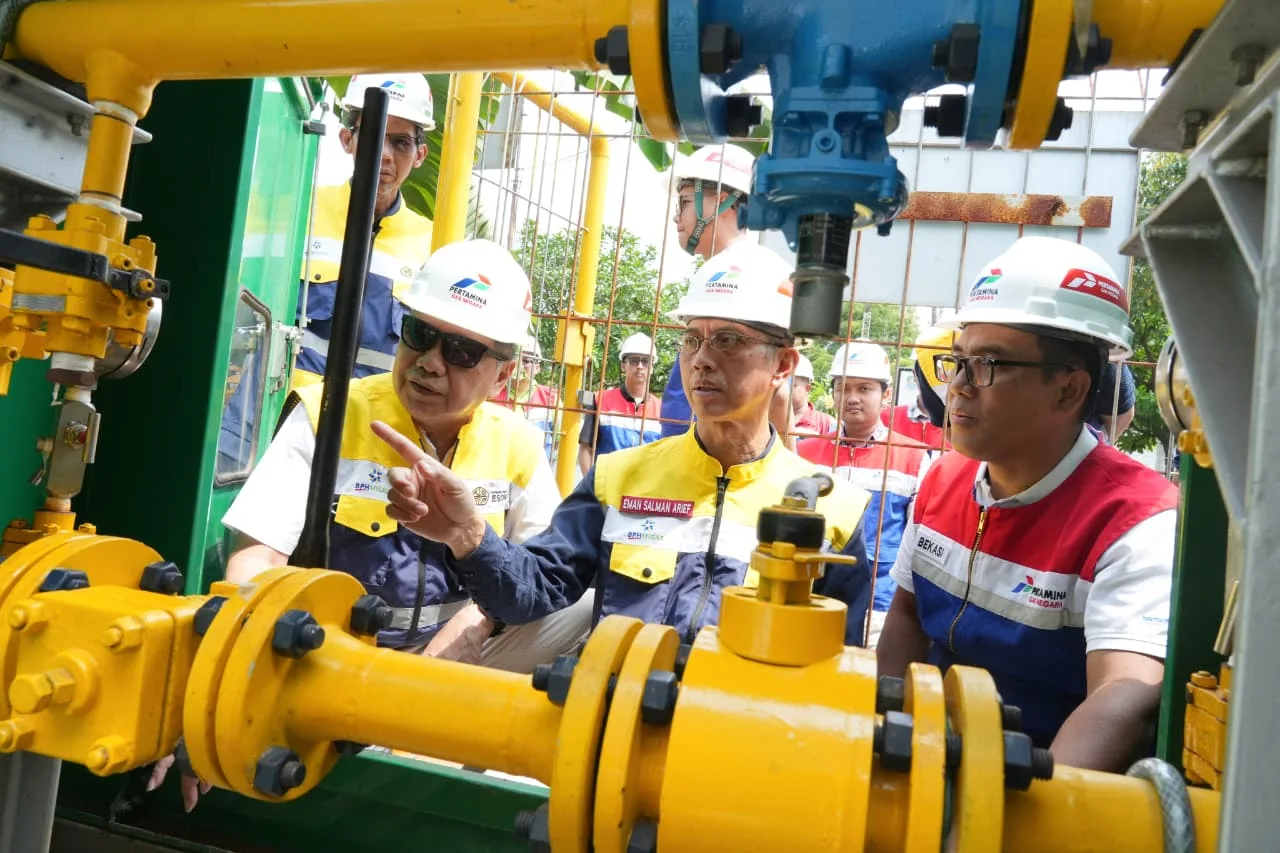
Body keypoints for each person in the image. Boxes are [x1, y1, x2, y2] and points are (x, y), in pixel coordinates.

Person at [373, 248, 876, 650]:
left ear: (783, 365)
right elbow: (536, 592)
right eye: (692, 339)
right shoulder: (618, 480)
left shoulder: (834, 514)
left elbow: (837, 675)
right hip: (612, 729)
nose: (700, 360)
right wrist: (469, 535)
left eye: (726, 341)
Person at [876, 236, 1177, 772]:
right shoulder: (943, 481)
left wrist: (1029, 809)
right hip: (928, 760)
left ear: (1069, 390)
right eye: (958, 361)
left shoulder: (1136, 522)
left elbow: (1122, 697)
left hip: (1043, 784)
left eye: (988, 364)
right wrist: (889, 735)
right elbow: (906, 615)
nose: (958, 387)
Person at [221, 239, 592, 668]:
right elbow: (257, 556)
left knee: (584, 606)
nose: (430, 362)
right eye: (419, 334)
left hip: (457, 653)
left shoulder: (517, 443)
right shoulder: (329, 412)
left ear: (503, 376)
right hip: (327, 650)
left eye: (461, 351)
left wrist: (479, 619)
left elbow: (536, 574)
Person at [215, 74, 436, 471]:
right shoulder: (299, 210)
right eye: (373, 136)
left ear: (419, 154)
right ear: (347, 139)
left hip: (367, 445)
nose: (385, 154)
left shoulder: (432, 246)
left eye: (401, 142)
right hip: (268, 426)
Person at [798, 342, 930, 647]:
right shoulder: (806, 453)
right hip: (812, 597)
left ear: (886, 394)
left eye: (864, 388)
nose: (852, 397)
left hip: (879, 606)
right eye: (843, 388)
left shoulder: (912, 457)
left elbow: (917, 540)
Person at [659, 144, 777, 439]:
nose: (676, 217)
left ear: (721, 201)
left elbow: (778, 395)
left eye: (685, 202)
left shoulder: (753, 277)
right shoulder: (714, 276)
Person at [578, 332, 661, 473]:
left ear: (652, 367)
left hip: (645, 485)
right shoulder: (600, 400)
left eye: (646, 361)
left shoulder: (662, 409)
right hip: (607, 483)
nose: (640, 366)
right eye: (634, 360)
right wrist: (592, 485)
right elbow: (585, 450)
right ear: (623, 365)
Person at [883, 327, 952, 452]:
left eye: (947, 372)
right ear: (915, 375)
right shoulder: (886, 419)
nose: (938, 382)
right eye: (930, 373)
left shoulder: (964, 428)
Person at [493, 333, 560, 460]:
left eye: (526, 361)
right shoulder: (490, 394)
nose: (519, 366)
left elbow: (560, 440)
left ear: (537, 368)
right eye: (515, 358)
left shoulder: (551, 399)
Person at [791, 353, 837, 438]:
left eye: (792, 385)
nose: (784, 390)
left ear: (808, 388)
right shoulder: (767, 421)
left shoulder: (827, 423)